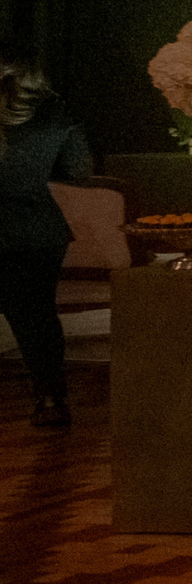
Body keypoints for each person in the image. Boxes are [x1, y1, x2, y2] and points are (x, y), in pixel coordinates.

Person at [0, 62, 92, 427]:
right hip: (38, 229)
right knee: (38, 316)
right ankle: (52, 398)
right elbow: (79, 169)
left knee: (28, 316)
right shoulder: (56, 115)